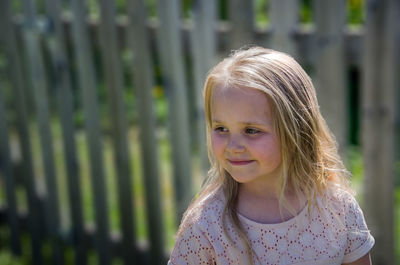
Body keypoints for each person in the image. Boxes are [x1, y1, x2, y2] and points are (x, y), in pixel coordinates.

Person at [167, 46, 374, 265]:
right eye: (221, 129)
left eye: (251, 130)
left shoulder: (338, 209)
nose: (233, 146)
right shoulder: (207, 224)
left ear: (295, 129)